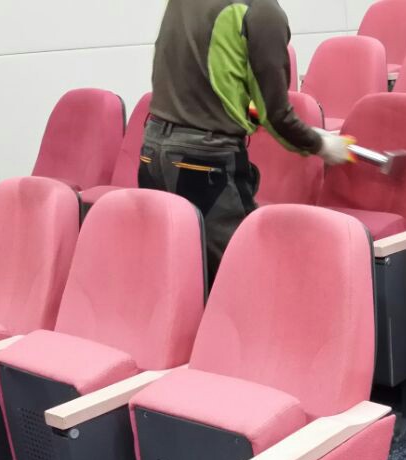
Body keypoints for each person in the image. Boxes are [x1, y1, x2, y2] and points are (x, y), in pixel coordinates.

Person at [139, 0, 353, 279]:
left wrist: (268, 119)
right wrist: (320, 144)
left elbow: (212, 85)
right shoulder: (262, 11)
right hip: (203, 161)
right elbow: (276, 114)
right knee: (246, 275)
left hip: (152, 149)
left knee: (181, 277)